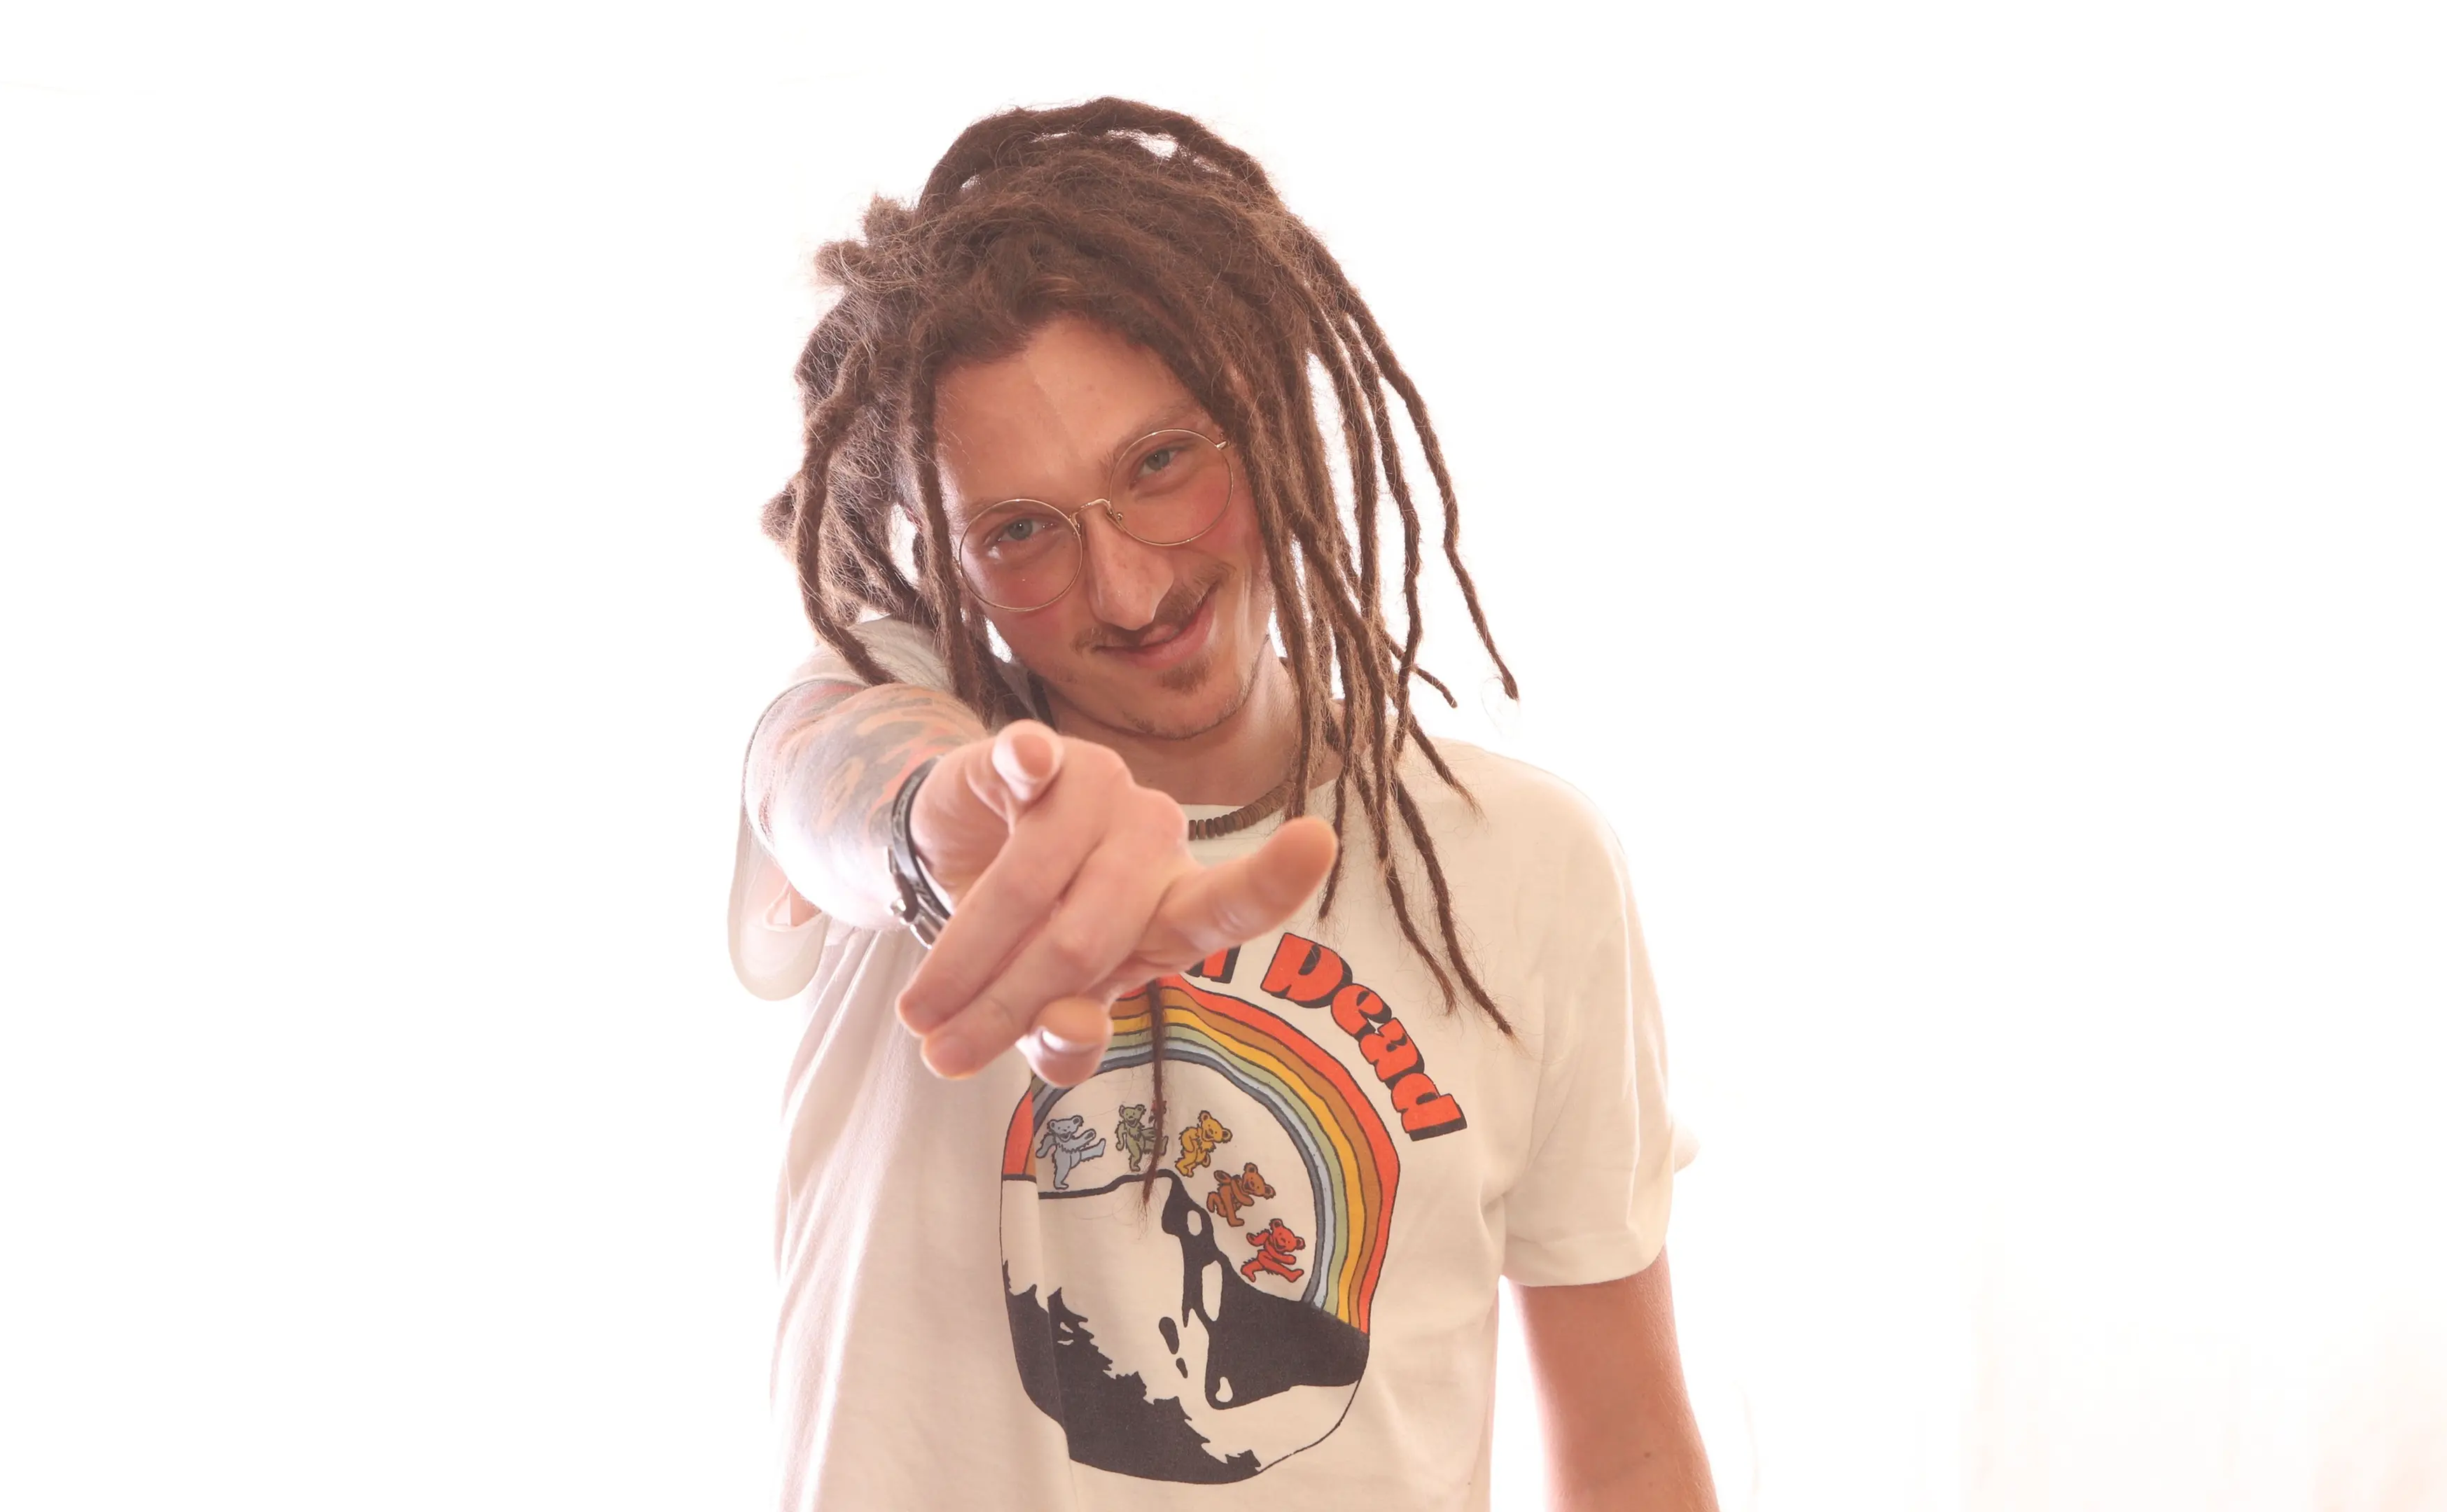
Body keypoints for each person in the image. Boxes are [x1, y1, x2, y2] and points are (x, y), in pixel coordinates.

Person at [732, 98, 1714, 1511]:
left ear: (1263, 413)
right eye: (1021, 533)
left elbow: (1625, 1446)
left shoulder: (1521, 864)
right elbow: (822, 775)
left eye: (1160, 464)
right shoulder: (886, 720)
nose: (1129, 589)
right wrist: (932, 836)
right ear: (948, 557)